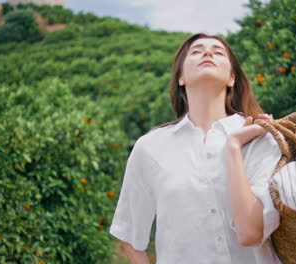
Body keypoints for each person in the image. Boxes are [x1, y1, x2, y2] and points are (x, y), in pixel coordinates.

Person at [109, 33, 283, 264]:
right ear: (181, 77)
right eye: (197, 51)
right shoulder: (150, 147)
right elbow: (130, 235)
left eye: (218, 52)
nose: (208, 53)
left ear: (232, 79)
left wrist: (233, 146)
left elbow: (251, 232)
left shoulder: (262, 136)